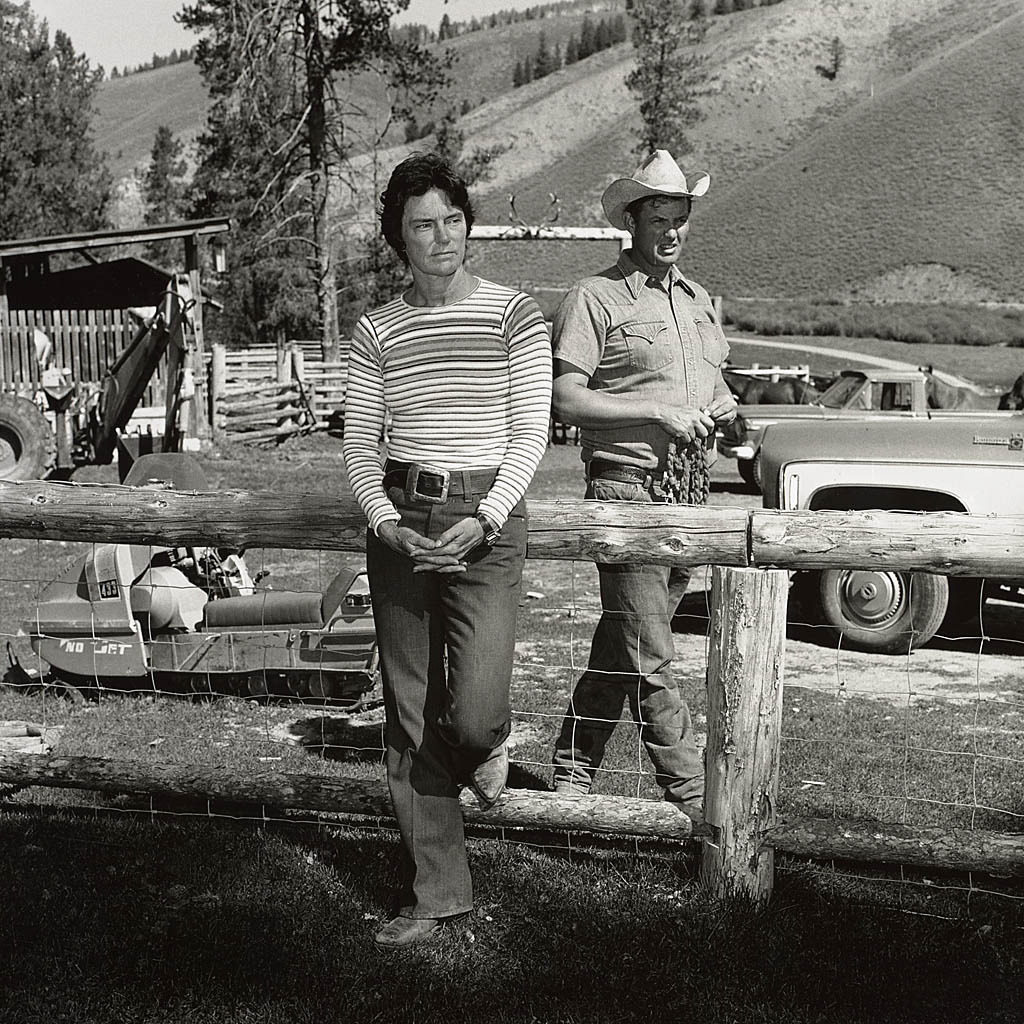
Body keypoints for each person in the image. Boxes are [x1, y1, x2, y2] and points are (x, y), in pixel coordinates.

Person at [342, 153, 552, 948]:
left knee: (472, 711)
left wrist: (489, 516)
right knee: (408, 709)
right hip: (401, 519)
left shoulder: (514, 315)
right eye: (423, 224)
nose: (442, 237)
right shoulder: (378, 330)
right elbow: (361, 442)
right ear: (398, 237)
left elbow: (532, 430)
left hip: (485, 521)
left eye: (453, 220)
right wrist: (386, 521)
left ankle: (486, 747)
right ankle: (439, 892)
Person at [549, 149, 737, 821]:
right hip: (625, 491)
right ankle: (695, 802)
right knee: (652, 654)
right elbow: (567, 397)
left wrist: (722, 404)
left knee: (625, 639)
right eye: (659, 217)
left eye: (681, 218)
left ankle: (570, 770)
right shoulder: (594, 297)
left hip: (690, 491)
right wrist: (655, 412)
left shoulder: (700, 304)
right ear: (631, 222)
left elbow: (716, 384)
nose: (672, 231)